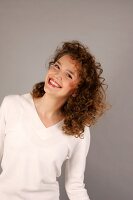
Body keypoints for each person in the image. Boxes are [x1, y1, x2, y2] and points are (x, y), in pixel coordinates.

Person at [0, 40, 108, 200]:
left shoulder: (79, 130)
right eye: (56, 66)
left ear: (77, 91)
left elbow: (75, 186)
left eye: (69, 74)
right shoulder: (12, 105)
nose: (57, 75)